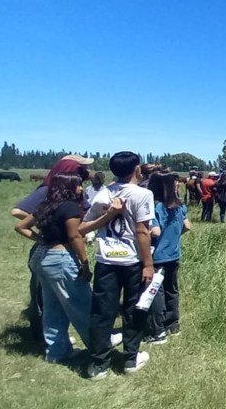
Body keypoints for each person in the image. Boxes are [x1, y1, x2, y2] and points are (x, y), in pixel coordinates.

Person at [14, 174, 124, 364]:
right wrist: (84, 263)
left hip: (42, 257)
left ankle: (57, 351)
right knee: (83, 305)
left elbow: (21, 226)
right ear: (69, 188)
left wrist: (40, 239)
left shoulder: (46, 205)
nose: (81, 189)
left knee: (53, 308)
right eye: (79, 185)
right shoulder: (70, 207)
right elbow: (75, 236)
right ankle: (100, 347)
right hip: (61, 259)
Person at [81, 151, 156, 379]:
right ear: (137, 169)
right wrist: (148, 264)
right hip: (132, 261)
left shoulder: (103, 193)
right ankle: (131, 358)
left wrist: (108, 216)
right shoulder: (143, 194)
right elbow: (142, 231)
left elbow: (83, 228)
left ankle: (99, 363)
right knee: (134, 309)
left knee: (102, 311)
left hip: (106, 260)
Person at [12, 154, 94, 344]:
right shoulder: (50, 190)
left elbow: (76, 225)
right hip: (54, 249)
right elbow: (17, 212)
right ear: (70, 171)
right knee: (47, 297)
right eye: (81, 169)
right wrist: (48, 224)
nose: (86, 173)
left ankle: (56, 346)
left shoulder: (72, 191)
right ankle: (96, 345)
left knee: (53, 302)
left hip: (59, 248)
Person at [145, 171, 191, 344]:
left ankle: (158, 329)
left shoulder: (155, 206)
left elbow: (155, 231)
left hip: (157, 256)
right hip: (174, 254)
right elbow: (187, 226)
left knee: (156, 292)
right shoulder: (179, 205)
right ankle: (173, 324)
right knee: (172, 289)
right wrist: (174, 238)